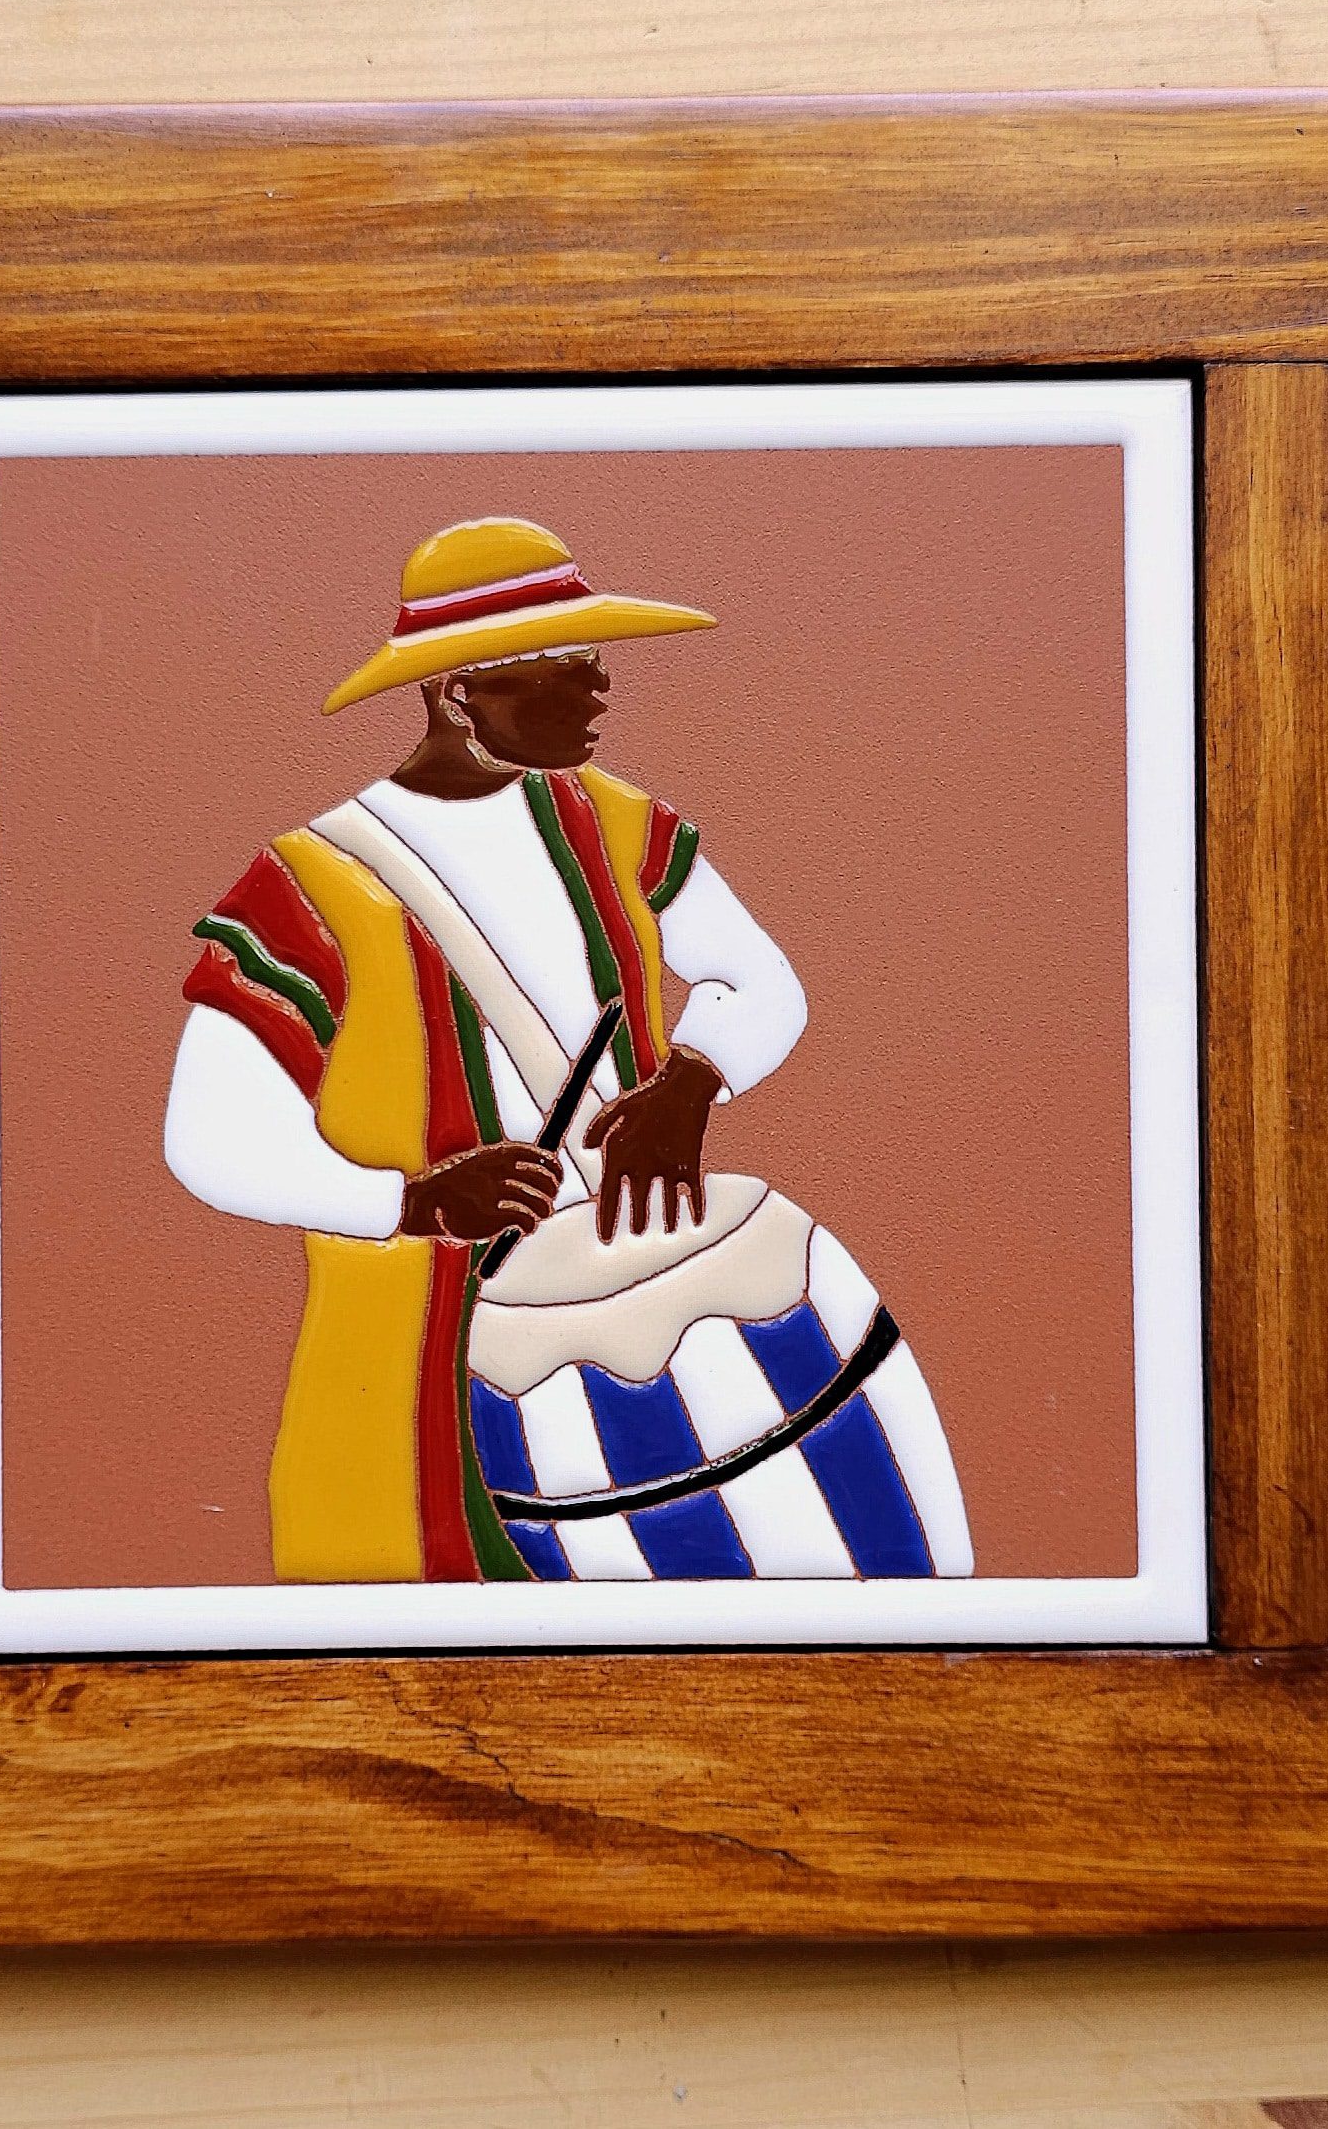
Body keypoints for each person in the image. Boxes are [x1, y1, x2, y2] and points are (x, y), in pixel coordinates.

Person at [165, 516, 973, 1583]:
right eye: (562, 667)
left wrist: (692, 1080)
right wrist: (411, 1202)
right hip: (403, 1367)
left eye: (595, 659)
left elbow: (760, 982)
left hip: (632, 1277)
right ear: (457, 693)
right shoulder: (306, 888)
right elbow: (209, 1134)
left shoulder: (616, 820)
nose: (600, 688)